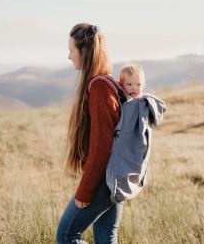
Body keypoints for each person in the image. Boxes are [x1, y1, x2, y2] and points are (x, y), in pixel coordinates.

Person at [56, 23, 123, 244]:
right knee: (106, 238)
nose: (69, 56)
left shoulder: (99, 88)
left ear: (84, 52)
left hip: (103, 181)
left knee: (66, 236)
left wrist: (85, 191)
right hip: (115, 177)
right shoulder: (109, 82)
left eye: (71, 50)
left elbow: (101, 147)